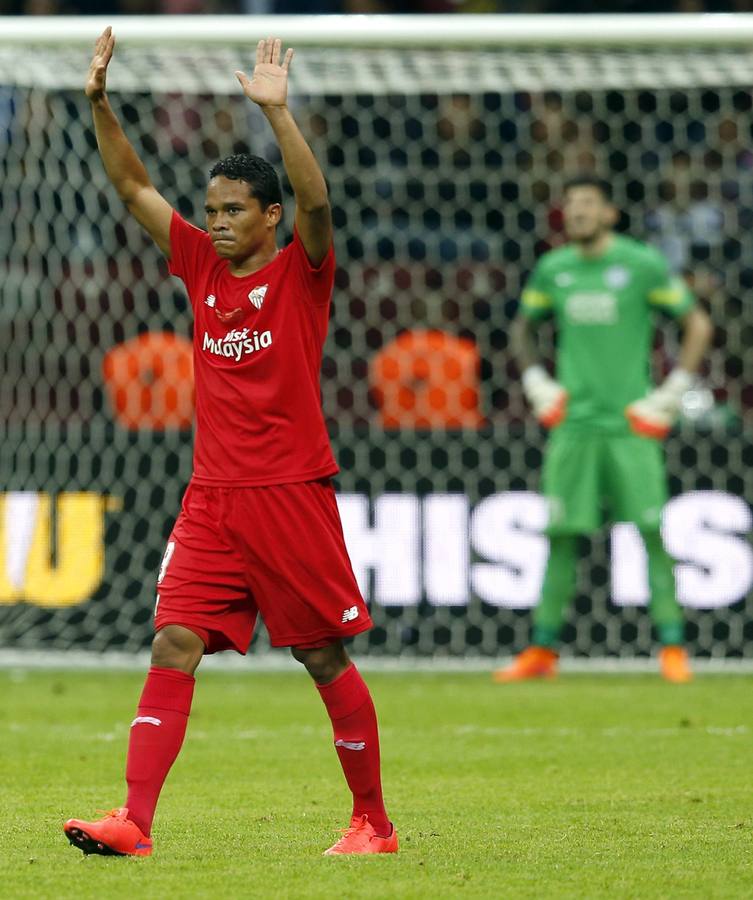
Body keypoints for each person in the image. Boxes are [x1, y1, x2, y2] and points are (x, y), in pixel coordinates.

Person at [64, 28, 397, 858]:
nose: (214, 224)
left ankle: (373, 824)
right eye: (210, 210)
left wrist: (278, 115)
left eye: (233, 211)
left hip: (288, 493)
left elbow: (318, 206)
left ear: (268, 217)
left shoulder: (299, 273)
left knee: (320, 655)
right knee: (173, 642)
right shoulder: (201, 269)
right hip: (210, 499)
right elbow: (133, 185)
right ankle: (134, 823)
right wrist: (100, 103)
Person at [493, 174, 713, 685]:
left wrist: (672, 392)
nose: (578, 211)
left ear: (610, 213)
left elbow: (697, 324)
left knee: (652, 532)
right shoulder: (554, 269)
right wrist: (536, 382)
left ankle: (672, 647)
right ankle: (542, 650)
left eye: (589, 203)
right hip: (574, 425)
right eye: (571, 203)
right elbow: (522, 328)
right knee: (561, 537)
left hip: (631, 423)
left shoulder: (641, 264)